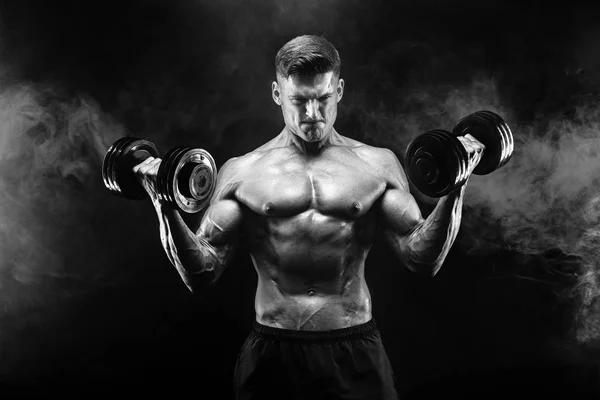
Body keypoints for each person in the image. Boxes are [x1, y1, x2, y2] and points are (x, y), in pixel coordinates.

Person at [133, 35, 484, 400]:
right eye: (299, 101)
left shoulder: (376, 166)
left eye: (323, 99)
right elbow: (202, 272)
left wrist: (456, 186)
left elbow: (422, 258)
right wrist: (165, 205)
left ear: (340, 90)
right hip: (272, 354)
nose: (312, 114)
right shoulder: (242, 173)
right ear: (276, 93)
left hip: (355, 350)